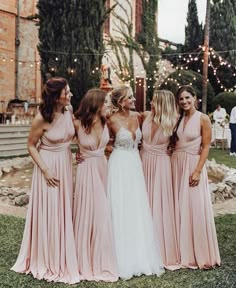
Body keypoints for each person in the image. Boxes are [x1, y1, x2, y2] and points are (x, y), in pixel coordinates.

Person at [11, 77, 80, 283]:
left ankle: (63, 251)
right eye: (66, 92)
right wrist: (45, 170)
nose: (70, 95)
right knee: (50, 210)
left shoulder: (69, 111)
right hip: (48, 167)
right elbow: (31, 145)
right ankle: (47, 255)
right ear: (55, 96)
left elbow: (73, 135)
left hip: (65, 164)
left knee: (63, 209)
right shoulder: (42, 118)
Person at [107, 85, 164, 280]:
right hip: (119, 164)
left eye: (132, 97)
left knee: (136, 207)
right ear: (120, 101)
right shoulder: (110, 119)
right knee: (119, 205)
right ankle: (117, 253)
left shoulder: (139, 116)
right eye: (129, 97)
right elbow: (100, 138)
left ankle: (139, 251)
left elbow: (160, 113)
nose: (133, 100)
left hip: (135, 165)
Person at [170, 85, 221, 269]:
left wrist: (198, 171)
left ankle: (199, 253)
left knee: (195, 207)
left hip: (193, 165)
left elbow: (206, 146)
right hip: (176, 165)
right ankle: (181, 250)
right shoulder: (178, 119)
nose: (184, 102)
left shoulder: (203, 118)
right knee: (180, 206)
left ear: (195, 97)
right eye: (181, 99)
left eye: (187, 98)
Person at [73, 88, 118, 282]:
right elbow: (56, 139)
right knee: (88, 212)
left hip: (102, 168)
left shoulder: (105, 120)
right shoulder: (76, 123)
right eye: (105, 102)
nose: (107, 106)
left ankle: (101, 254)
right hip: (86, 171)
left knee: (102, 212)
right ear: (95, 103)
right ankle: (84, 257)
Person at [140, 90, 180, 270]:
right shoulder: (146, 116)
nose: (150, 104)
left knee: (159, 203)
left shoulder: (174, 121)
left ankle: (161, 248)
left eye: (154, 101)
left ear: (162, 103)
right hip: (143, 162)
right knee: (144, 203)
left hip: (161, 165)